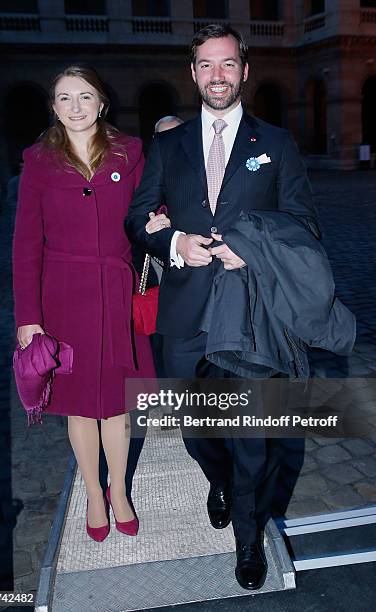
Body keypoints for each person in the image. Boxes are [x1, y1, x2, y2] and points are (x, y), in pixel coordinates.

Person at [126, 24, 318, 589]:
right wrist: (173, 243)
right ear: (193, 73)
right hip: (185, 314)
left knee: (252, 439)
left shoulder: (276, 144)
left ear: (244, 70)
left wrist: (252, 250)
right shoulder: (167, 146)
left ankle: (248, 541)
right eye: (206, 65)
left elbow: (305, 225)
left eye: (228, 64)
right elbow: (136, 219)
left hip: (252, 316)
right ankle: (220, 480)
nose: (217, 75)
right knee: (194, 432)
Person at [13, 65, 157, 542]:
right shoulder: (38, 161)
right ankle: (93, 492)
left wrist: (160, 220)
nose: (76, 107)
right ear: (53, 107)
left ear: (102, 102)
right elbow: (25, 244)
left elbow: (145, 211)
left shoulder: (130, 152)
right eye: (65, 98)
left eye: (85, 96)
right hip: (63, 298)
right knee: (79, 406)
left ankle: (119, 491)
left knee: (116, 403)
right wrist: (28, 318)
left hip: (116, 291)